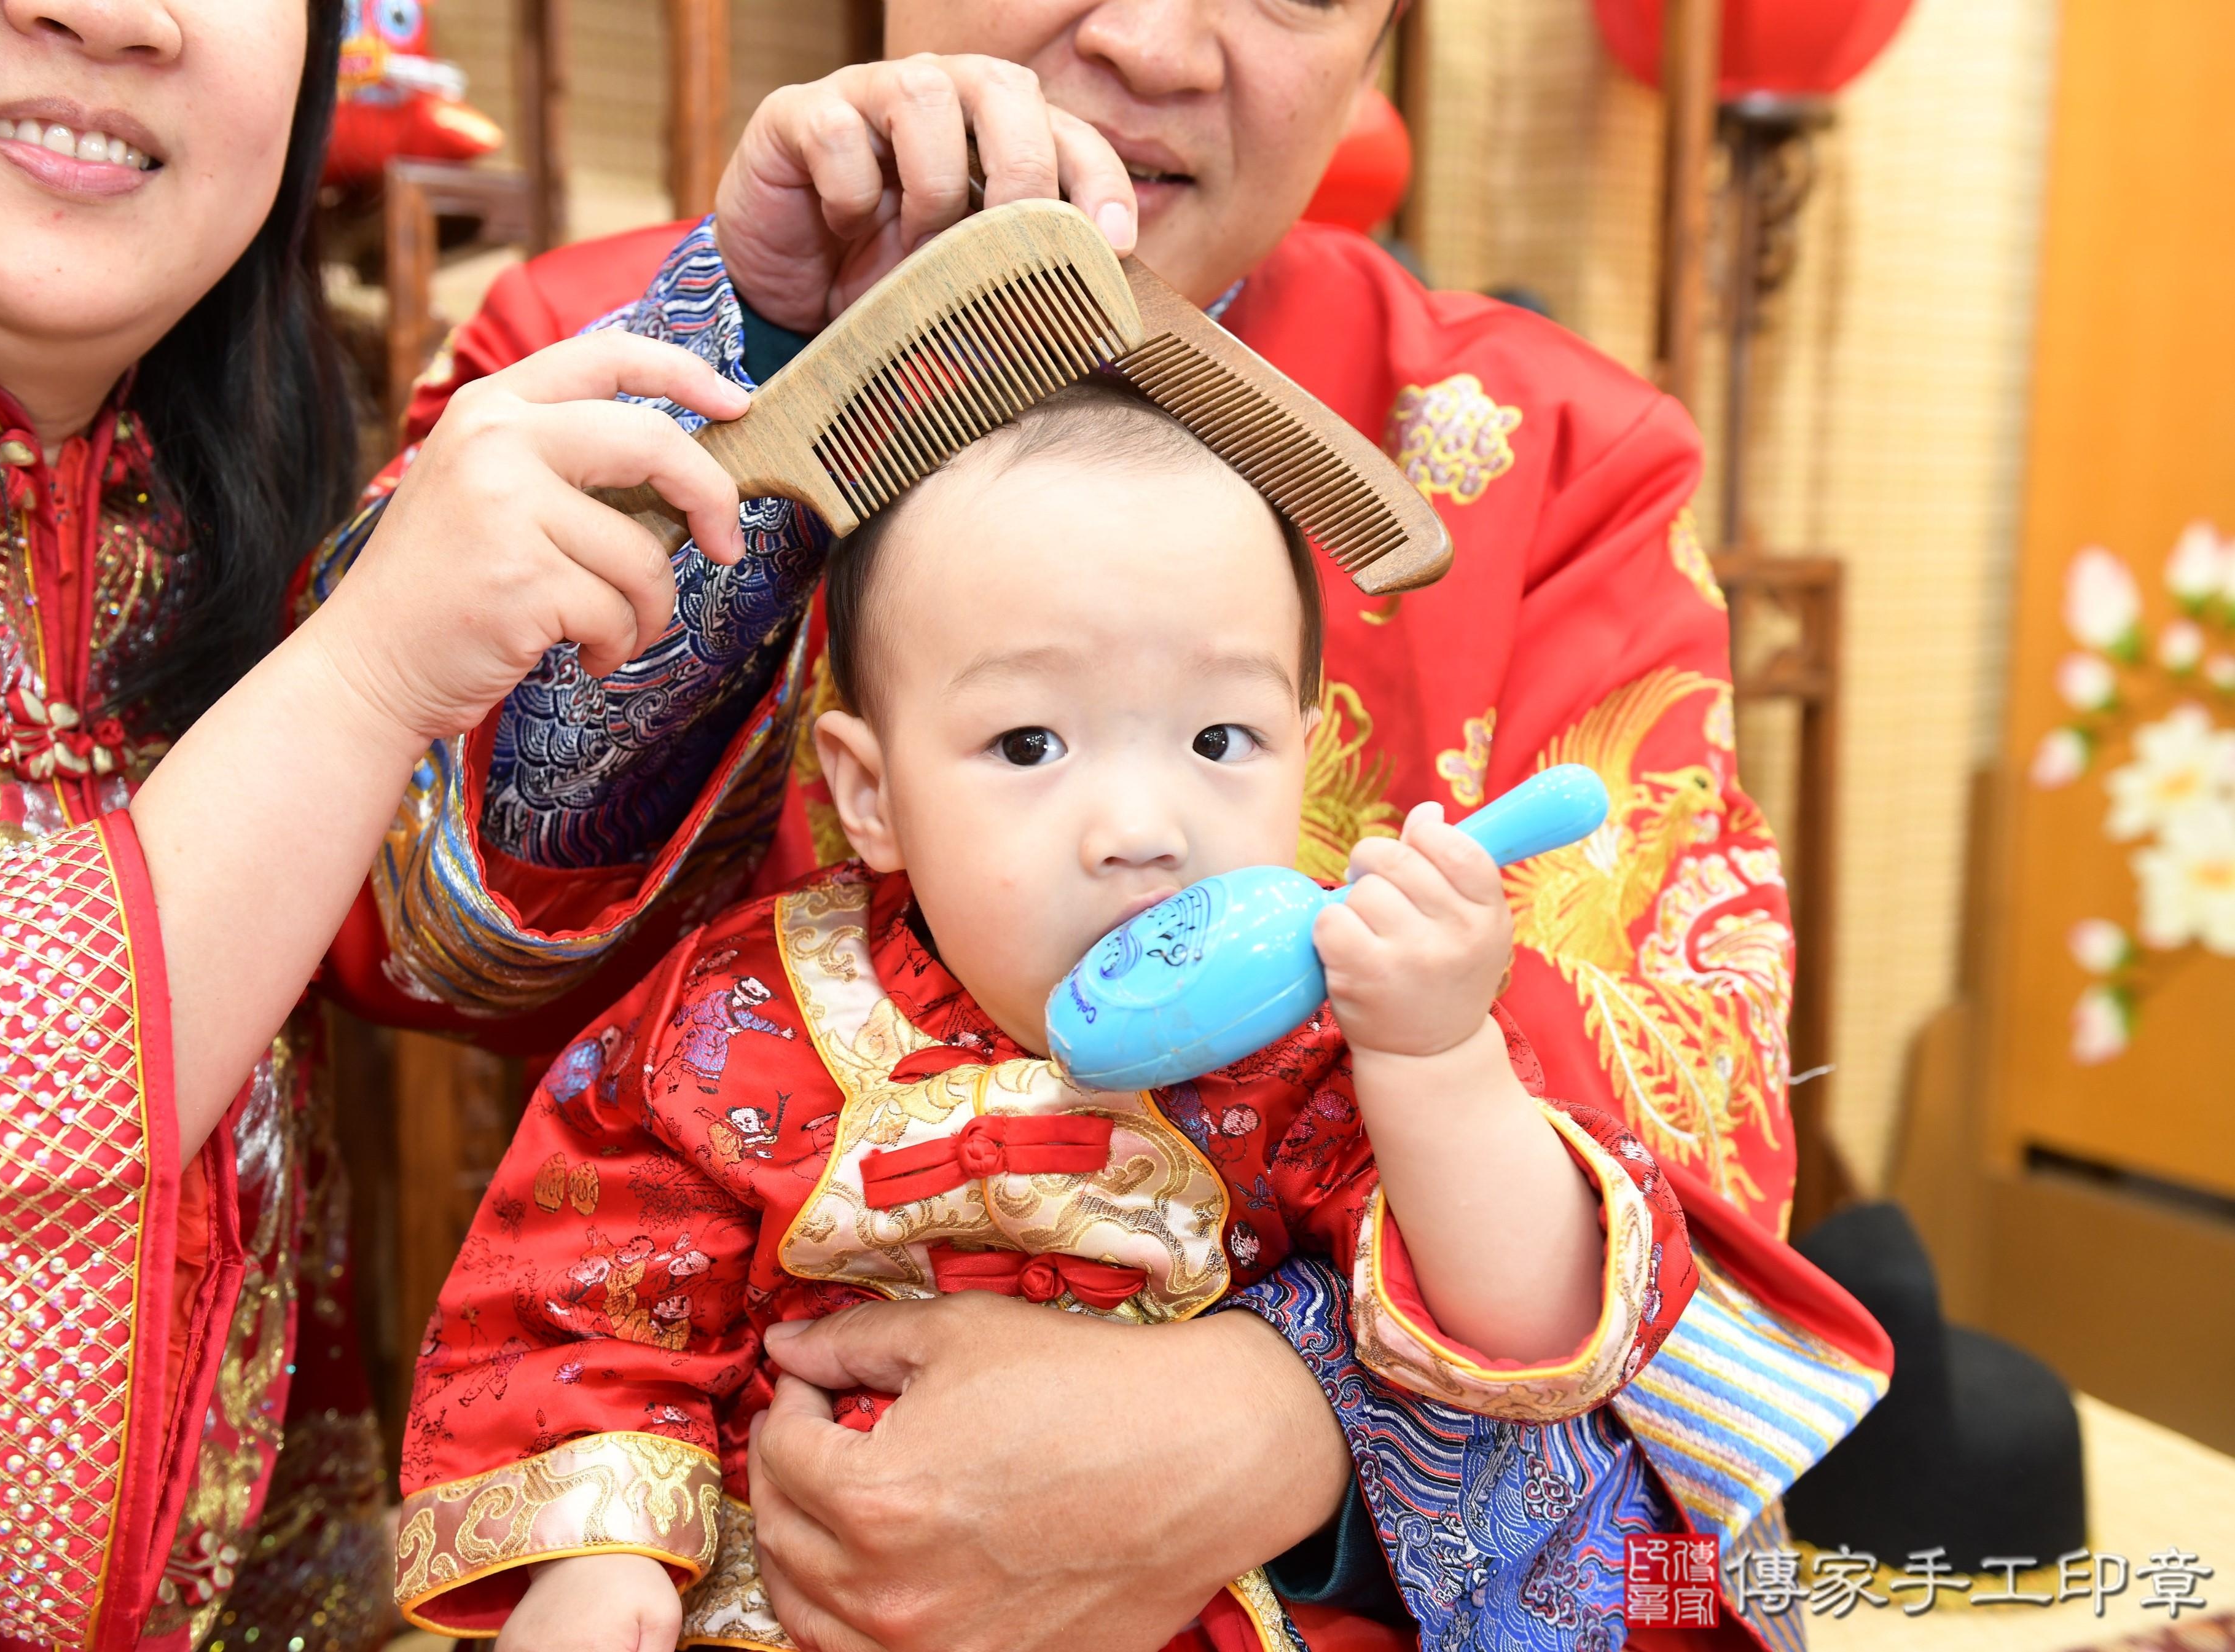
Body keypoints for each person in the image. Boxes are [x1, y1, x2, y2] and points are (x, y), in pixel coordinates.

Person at [351, 4, 1896, 1649]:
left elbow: (1661, 1177)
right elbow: (395, 933)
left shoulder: (1562, 461)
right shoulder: (599, 354)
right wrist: (759, 347)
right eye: (1025, 743)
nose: (1159, 42)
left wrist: (1283, 1415)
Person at [0, 2, 757, 1643]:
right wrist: (352, 687)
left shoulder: (210, 510)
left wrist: (766, 321)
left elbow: (474, 934)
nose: (114, 15)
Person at [396, 382, 1697, 1652]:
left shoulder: (1330, 1035)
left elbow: (1525, 1325)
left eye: (1220, 740)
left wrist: (1436, 1054)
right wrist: (602, 1553)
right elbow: (589, 1296)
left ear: (1305, 758)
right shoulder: (739, 1017)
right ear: (870, 794)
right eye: (1028, 745)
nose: (1140, 830)